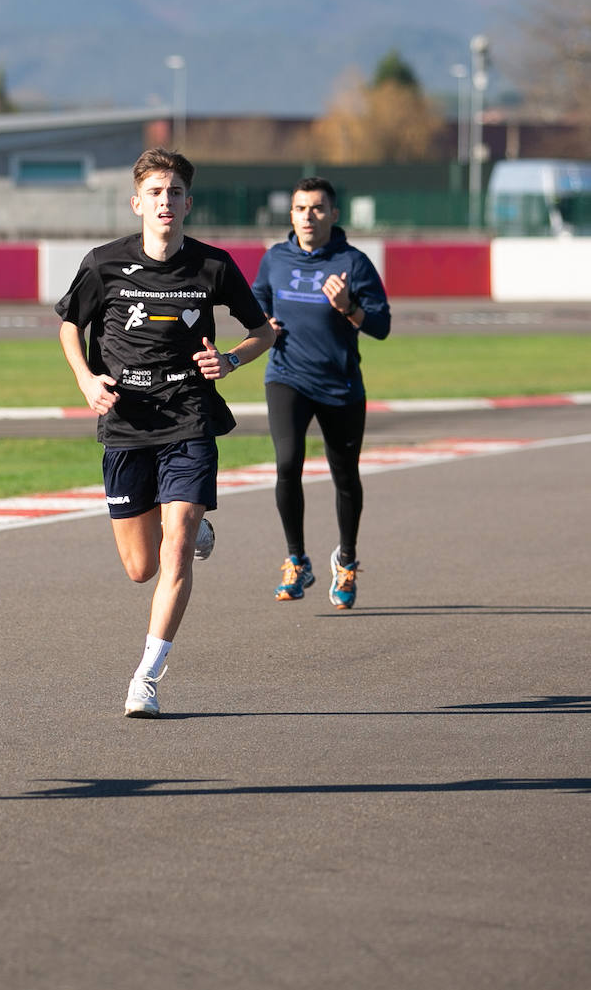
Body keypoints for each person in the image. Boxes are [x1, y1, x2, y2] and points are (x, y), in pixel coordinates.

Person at [55, 148, 274, 718]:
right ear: (137, 203)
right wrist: (84, 379)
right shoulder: (103, 264)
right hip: (127, 421)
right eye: (155, 193)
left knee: (174, 547)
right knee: (140, 568)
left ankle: (146, 676)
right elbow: (69, 327)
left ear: (188, 203)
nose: (165, 202)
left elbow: (262, 331)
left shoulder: (213, 266)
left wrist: (230, 361)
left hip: (188, 415)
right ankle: (190, 524)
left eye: (175, 192)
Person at [251, 176, 391, 608]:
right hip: (287, 377)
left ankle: (346, 560)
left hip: (340, 385)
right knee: (288, 463)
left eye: (316, 208)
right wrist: (263, 322)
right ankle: (297, 560)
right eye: (299, 208)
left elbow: (382, 327)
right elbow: (255, 301)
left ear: (333, 213)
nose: (307, 216)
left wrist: (349, 306)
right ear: (290, 214)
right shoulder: (275, 259)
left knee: (344, 476)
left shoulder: (354, 262)